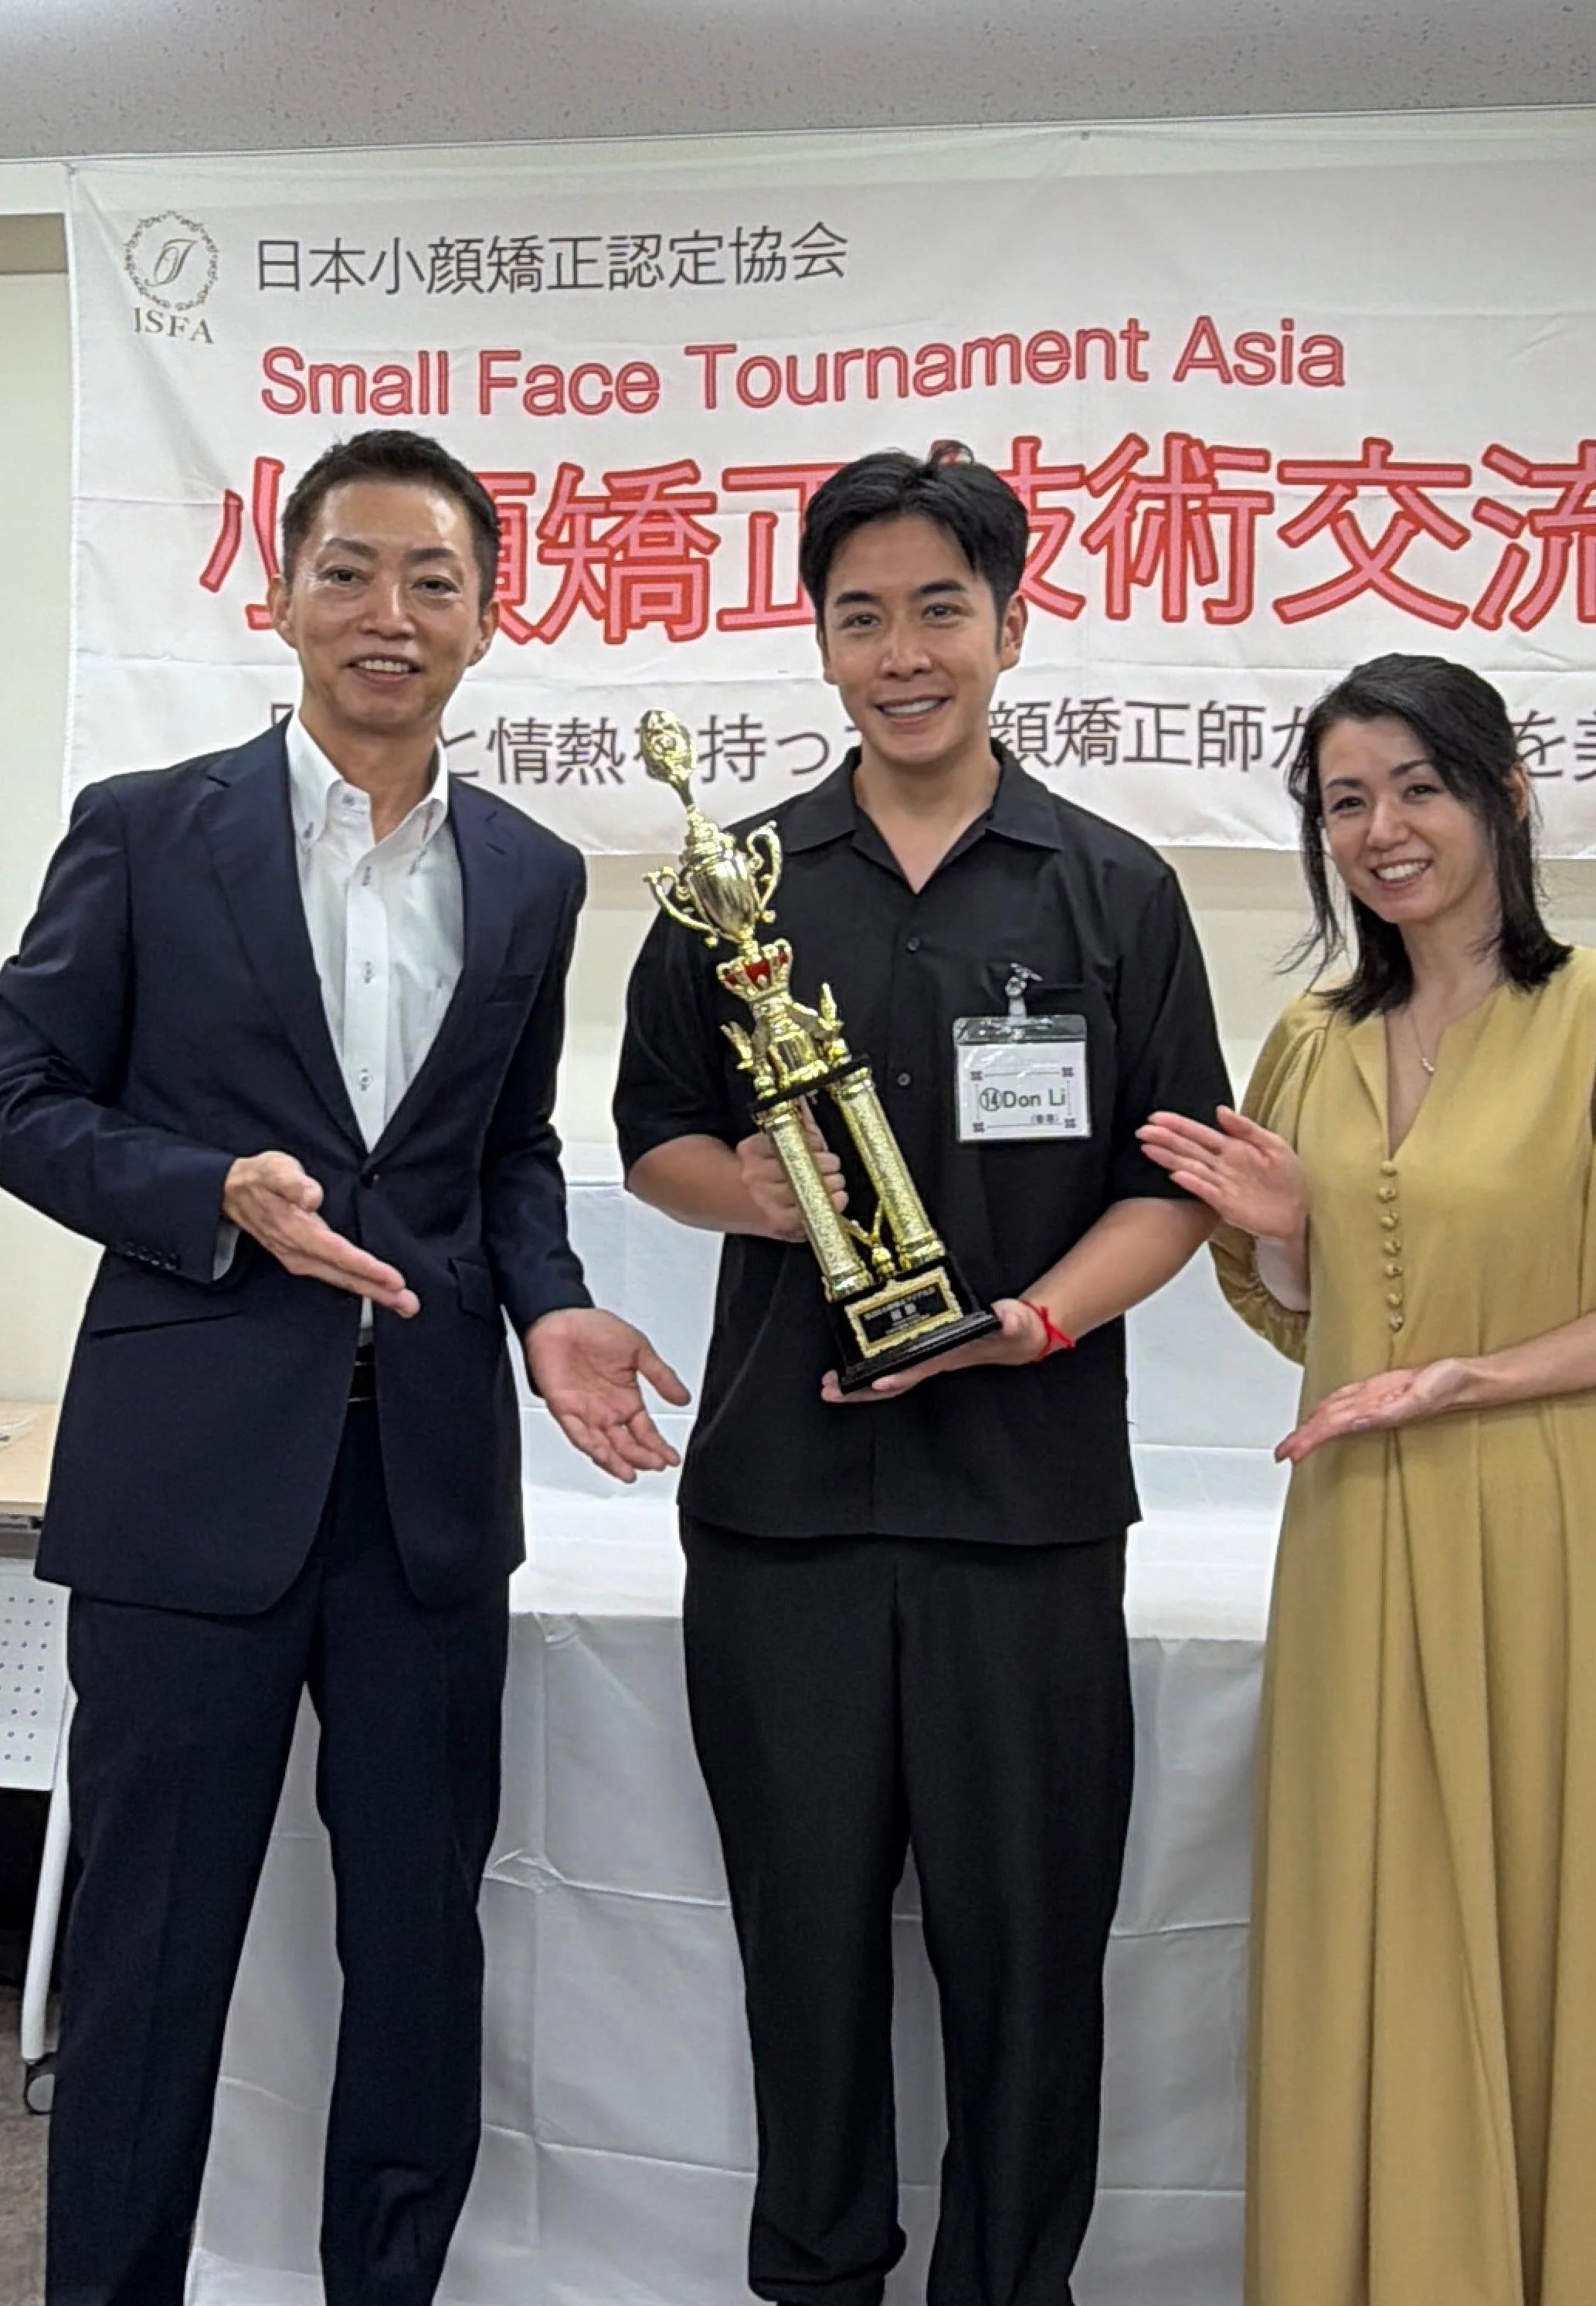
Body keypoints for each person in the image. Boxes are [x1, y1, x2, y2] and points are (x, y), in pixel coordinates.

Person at [0, 428, 688, 2306]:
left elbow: (507, 1151)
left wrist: (551, 1305)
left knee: (416, 1955)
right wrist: (205, 1191)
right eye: (353, 571)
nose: (392, 613)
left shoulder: (532, 875)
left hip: (425, 1499)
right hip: (189, 1483)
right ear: (282, 593)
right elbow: (21, 1090)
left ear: (487, 617)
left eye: (433, 580)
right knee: (146, 1956)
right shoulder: (149, 830)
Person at [613, 446, 1229, 2306]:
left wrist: (1030, 1322)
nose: (903, 654)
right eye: (861, 616)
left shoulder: (1113, 890)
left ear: (1010, 628)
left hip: (1025, 1512)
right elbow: (653, 1139)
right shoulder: (732, 891)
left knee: (1028, 1968)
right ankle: (818, 2281)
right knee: (802, 1956)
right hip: (780, 1515)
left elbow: (1169, 1182)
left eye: (939, 611)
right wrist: (768, 1194)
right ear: (819, 642)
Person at [1139, 650, 1596, 2306]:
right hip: (1347, 1522)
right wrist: (1288, 1236)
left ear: (1504, 796)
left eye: (1417, 787)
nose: (1381, 830)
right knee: (1363, 1906)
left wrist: (1479, 1375)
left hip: (1547, 1518)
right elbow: (1303, 1312)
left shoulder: (1586, 1014)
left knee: (1547, 1913)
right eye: (1344, 802)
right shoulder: (1314, 1039)